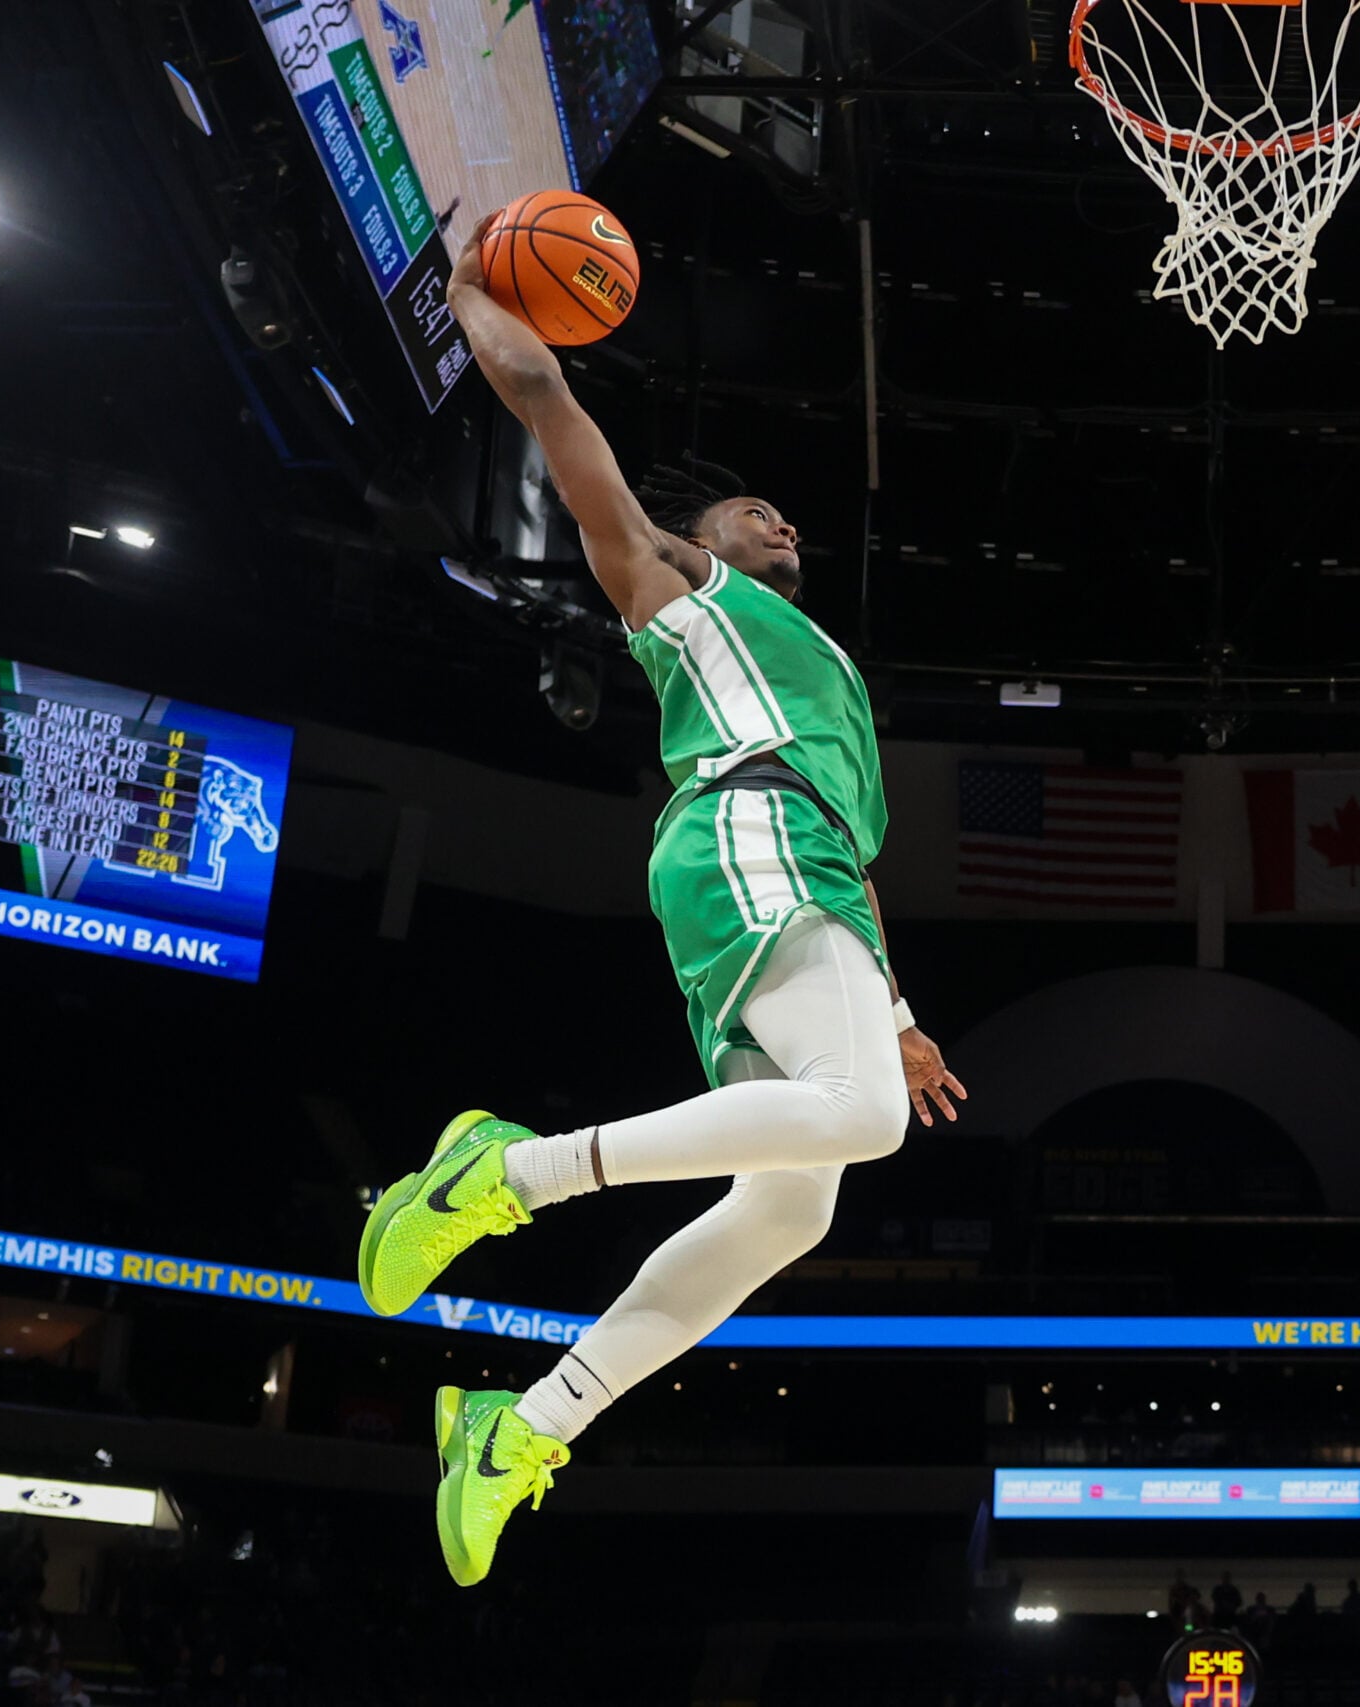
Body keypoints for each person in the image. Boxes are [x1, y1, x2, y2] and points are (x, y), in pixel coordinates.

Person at [354, 207, 968, 1587]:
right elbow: (547, 400)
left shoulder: (819, 666)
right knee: (863, 1121)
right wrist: (475, 298)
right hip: (744, 838)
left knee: (798, 1206)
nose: (782, 514)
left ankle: (525, 1422)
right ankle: (499, 1174)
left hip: (802, 871)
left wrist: (898, 1005)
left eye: (783, 509)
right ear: (696, 538)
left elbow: (856, 862)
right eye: (754, 505)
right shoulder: (678, 591)